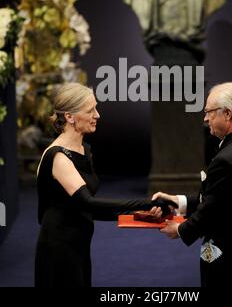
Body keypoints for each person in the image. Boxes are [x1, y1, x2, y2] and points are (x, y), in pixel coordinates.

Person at [34, 82, 172, 287]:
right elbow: (89, 204)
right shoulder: (58, 157)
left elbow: (89, 211)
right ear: (70, 117)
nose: (97, 115)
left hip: (79, 245)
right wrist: (145, 204)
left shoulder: (85, 150)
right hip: (58, 249)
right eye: (90, 110)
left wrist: (146, 216)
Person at [152, 82, 232, 287]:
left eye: (209, 112)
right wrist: (179, 201)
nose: (205, 118)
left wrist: (181, 229)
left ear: (227, 113)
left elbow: (213, 209)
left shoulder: (226, 157)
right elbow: (227, 199)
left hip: (229, 260)